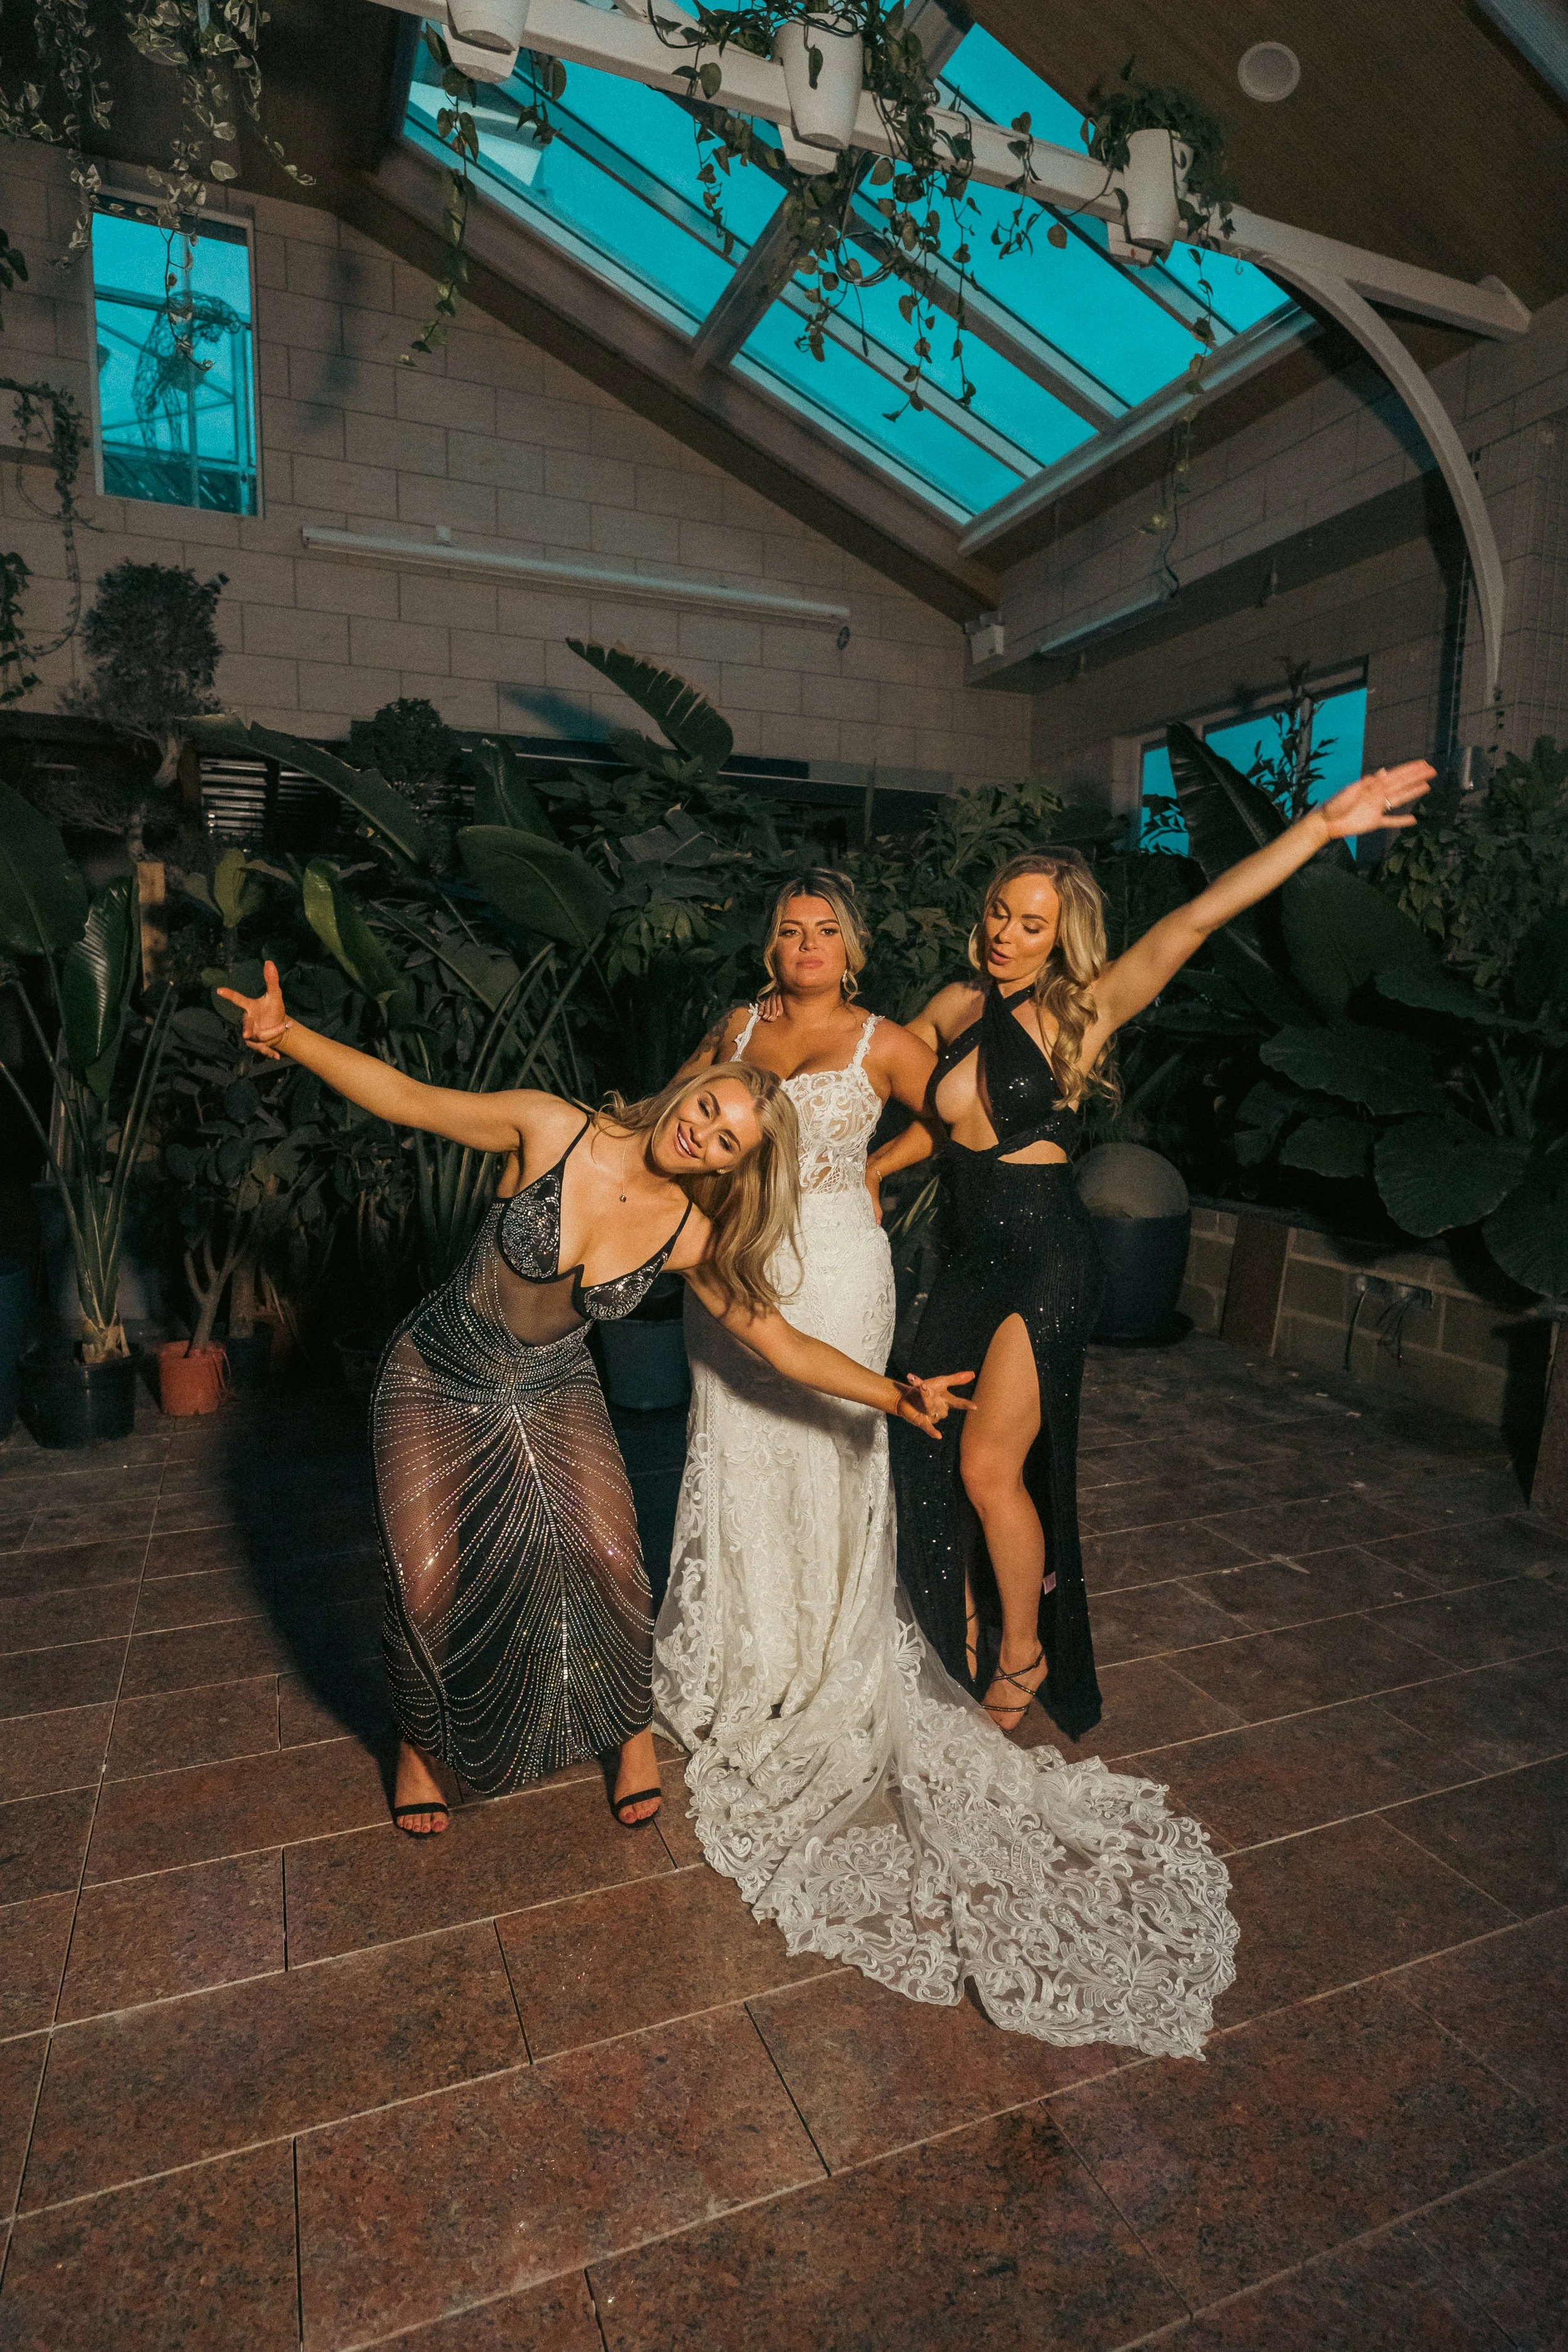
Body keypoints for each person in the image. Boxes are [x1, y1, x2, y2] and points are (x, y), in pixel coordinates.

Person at [654, 874, 1239, 2057]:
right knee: (821, 1452)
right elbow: (734, 1119)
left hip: (944, 1257)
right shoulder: (827, 1015)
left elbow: (982, 1104)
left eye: (829, 928)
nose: (808, 944)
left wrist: (875, 1171)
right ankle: (785, 1638)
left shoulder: (986, 1023)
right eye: (791, 928)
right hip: (844, 1265)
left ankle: (971, 1642)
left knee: (926, 1462)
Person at [217, 961, 970, 1840]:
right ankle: (421, 1746)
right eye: (708, 1108)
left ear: (737, 1168)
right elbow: (407, 1097)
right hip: (438, 1370)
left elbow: (782, 1342)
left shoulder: (692, 1235)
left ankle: (629, 1733)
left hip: (553, 1387)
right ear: (692, 1085)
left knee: (616, 1562)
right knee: (425, 1584)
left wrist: (893, 1390)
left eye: (728, 1142)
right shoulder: (552, 1127)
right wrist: (288, 1035)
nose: (703, 1136)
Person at [884, 760, 1434, 1742]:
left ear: (1065, 935)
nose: (1008, 934)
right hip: (969, 1252)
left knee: (986, 1466)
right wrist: (864, 1164)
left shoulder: (1079, 1012)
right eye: (1000, 914)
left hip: (1046, 1259)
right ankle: (955, 1615)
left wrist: (1319, 826)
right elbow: (934, 1121)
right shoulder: (962, 1006)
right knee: (919, 1442)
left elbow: (1197, 919)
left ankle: (1024, 1648)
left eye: (1032, 923)